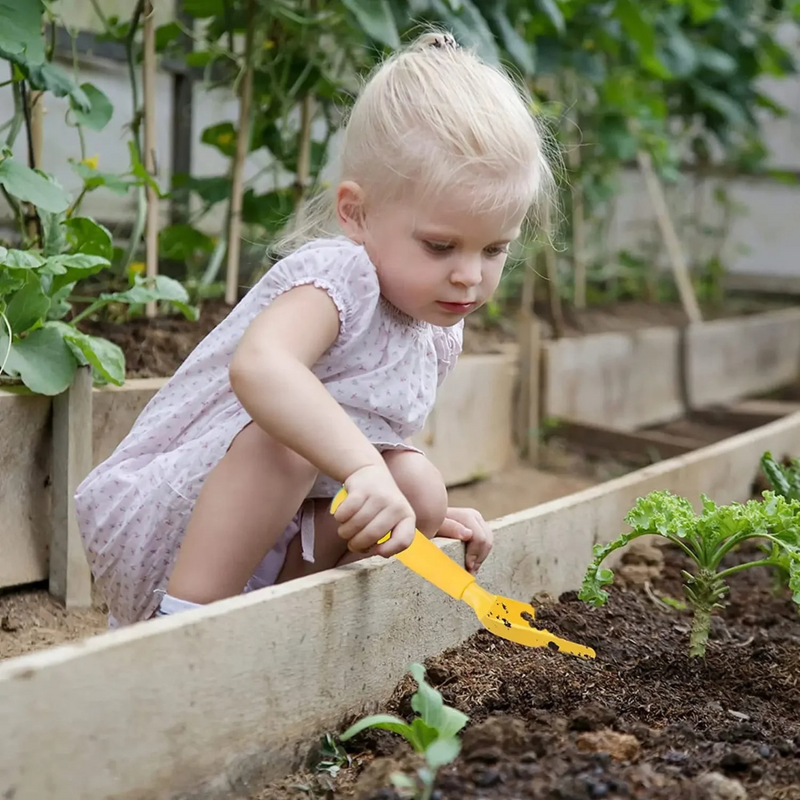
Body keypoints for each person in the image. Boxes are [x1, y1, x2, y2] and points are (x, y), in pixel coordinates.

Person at [74, 30, 553, 627]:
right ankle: (179, 634)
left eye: (494, 250)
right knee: (287, 444)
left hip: (281, 523)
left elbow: (372, 450)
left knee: (420, 489)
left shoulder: (435, 329)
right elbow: (261, 368)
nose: (468, 277)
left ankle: (282, 626)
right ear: (356, 212)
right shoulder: (341, 276)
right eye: (440, 246)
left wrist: (403, 501)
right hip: (176, 525)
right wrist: (363, 470)